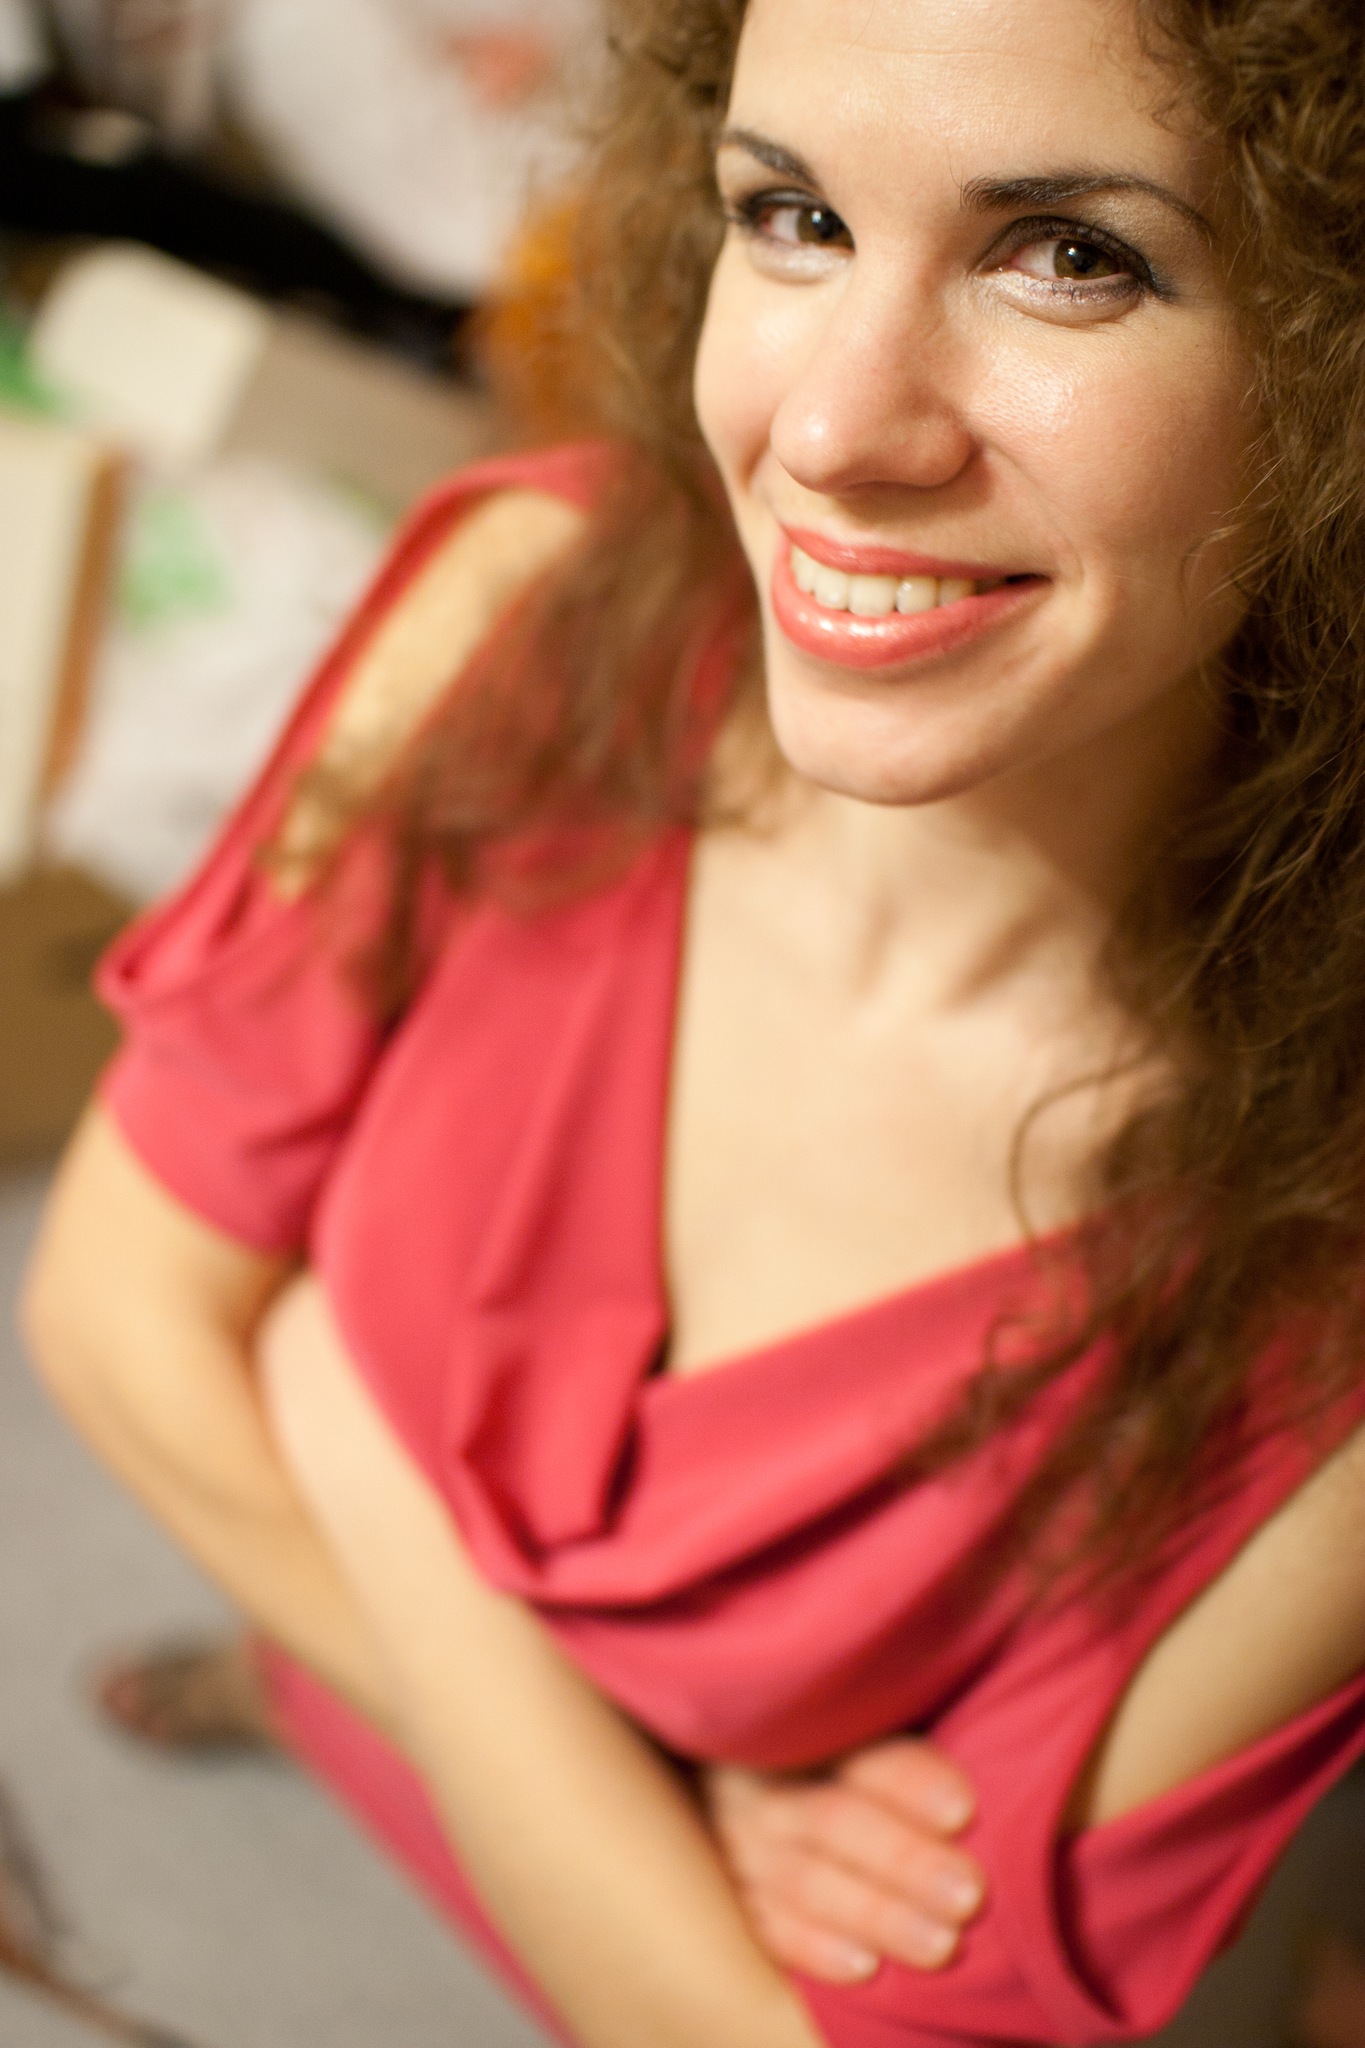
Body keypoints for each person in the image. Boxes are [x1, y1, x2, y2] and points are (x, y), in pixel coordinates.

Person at [20, 0, 1365, 2041]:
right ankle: (291, 1695)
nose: (824, 430)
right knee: (307, 1662)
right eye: (793, 216)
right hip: (505, 1742)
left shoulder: (1318, 1260)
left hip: (520, 1807)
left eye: (1069, 254)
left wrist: (344, 1423)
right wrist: (626, 1777)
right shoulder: (529, 608)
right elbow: (108, 1320)